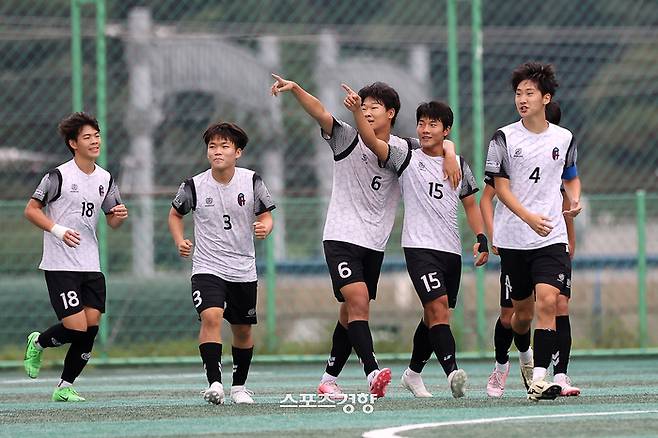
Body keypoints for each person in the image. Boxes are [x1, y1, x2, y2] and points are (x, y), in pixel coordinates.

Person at [271, 74, 460, 398]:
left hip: (374, 243)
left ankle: (328, 378)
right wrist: (297, 88)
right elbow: (320, 111)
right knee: (357, 301)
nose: (368, 111)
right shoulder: (346, 137)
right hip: (341, 236)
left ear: (392, 113)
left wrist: (452, 151)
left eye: (375, 107)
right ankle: (372, 371)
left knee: (349, 313)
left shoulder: (405, 148)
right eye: (364, 106)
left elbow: (437, 144)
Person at [343, 88, 488, 398]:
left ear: (446, 130)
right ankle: (453, 374)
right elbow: (371, 141)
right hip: (419, 248)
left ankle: (412, 374)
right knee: (437, 308)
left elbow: (471, 206)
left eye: (433, 124)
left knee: (435, 315)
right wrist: (358, 112)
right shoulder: (406, 156)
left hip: (451, 250)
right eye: (421, 123)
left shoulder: (458, 164)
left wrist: (481, 239)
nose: (425, 129)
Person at [484, 62, 582, 401]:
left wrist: (574, 198)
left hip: (551, 236)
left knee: (550, 301)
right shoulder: (503, 138)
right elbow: (501, 189)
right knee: (519, 317)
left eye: (529, 94)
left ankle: (541, 378)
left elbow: (570, 175)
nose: (522, 99)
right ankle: (522, 357)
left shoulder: (564, 137)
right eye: (518, 94)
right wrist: (527, 218)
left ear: (546, 98)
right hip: (514, 238)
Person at [23, 112, 128, 402]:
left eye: (97, 135)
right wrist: (57, 230)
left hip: (90, 263)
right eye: (87, 137)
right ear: (73, 143)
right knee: (76, 327)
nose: (95, 141)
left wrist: (119, 215)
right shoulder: (57, 176)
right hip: (60, 265)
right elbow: (31, 210)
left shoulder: (105, 178)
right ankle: (39, 341)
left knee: (90, 327)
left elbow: (112, 220)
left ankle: (64, 386)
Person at [168, 122, 275, 405]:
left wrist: (265, 226)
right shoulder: (193, 185)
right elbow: (175, 214)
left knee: (242, 329)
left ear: (237, 152)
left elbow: (266, 215)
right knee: (211, 316)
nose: (217, 151)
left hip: (243, 268)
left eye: (224, 146)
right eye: (212, 146)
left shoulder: (252, 181)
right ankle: (215, 383)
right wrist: (180, 240)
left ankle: (239, 387)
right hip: (207, 266)